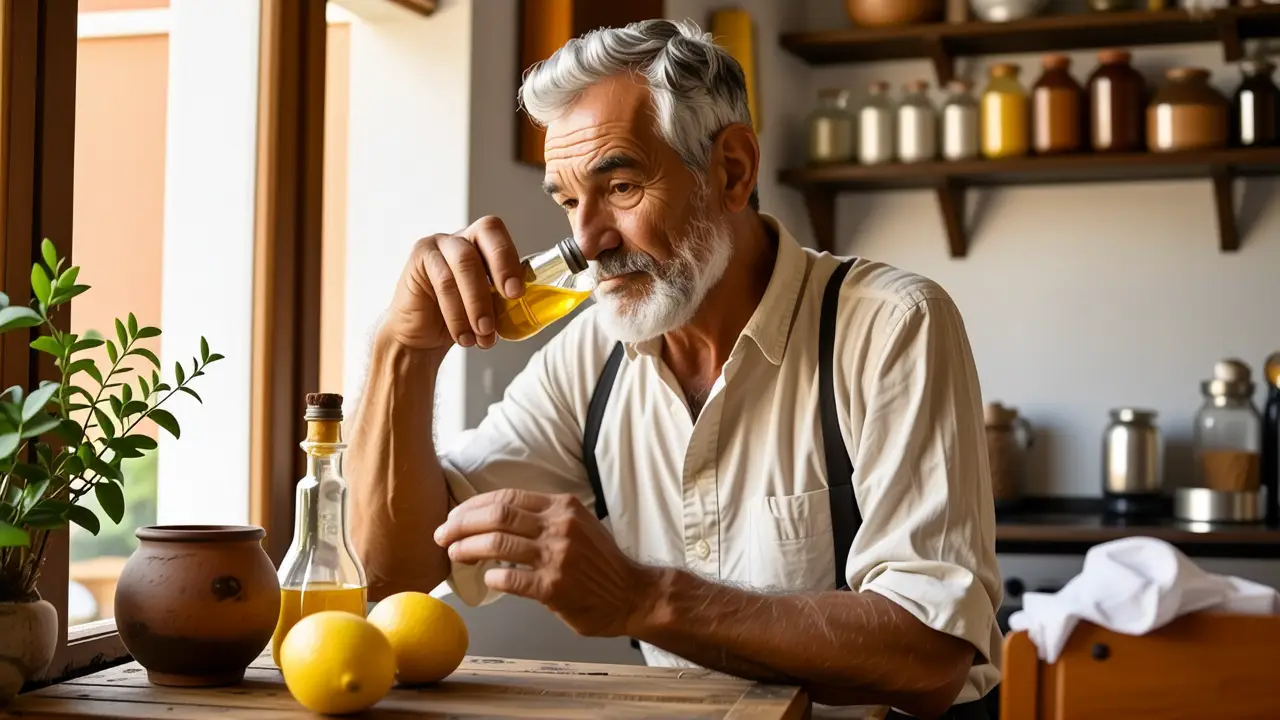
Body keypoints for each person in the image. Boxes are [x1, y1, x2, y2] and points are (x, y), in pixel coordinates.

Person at [346, 18, 1002, 720]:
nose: (586, 242)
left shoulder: (889, 325)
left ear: (731, 171)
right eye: (569, 201)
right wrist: (403, 350)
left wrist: (643, 598)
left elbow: (931, 656)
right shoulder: (588, 358)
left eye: (620, 185)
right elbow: (397, 570)